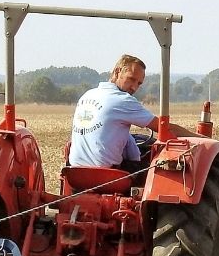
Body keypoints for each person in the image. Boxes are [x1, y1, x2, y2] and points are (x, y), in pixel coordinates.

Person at [69, 54, 199, 170]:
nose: (134, 87)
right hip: (107, 173)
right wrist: (199, 139)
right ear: (117, 71)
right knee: (157, 167)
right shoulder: (122, 100)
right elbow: (164, 127)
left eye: (139, 83)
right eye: (131, 79)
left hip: (75, 170)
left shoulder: (87, 95)